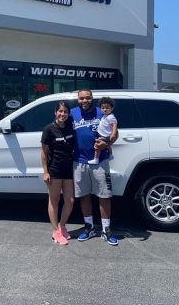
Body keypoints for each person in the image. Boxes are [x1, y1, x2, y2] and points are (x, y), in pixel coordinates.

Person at [71, 89, 118, 246]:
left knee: (104, 195)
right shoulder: (72, 113)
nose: (85, 101)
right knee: (84, 195)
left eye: (87, 98)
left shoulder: (103, 111)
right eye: (81, 98)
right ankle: (89, 227)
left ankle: (106, 230)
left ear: (92, 98)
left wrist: (108, 143)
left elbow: (115, 132)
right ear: (78, 99)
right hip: (79, 161)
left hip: (100, 161)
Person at [41, 101, 75, 245]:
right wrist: (45, 172)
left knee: (70, 201)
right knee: (54, 201)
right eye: (60, 111)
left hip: (68, 169)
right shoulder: (49, 129)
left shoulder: (70, 127)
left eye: (65, 112)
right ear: (55, 112)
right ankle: (55, 231)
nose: (62, 114)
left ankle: (62, 225)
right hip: (54, 169)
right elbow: (44, 152)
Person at [88, 97, 118, 165]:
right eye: (103, 108)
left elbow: (114, 125)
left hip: (105, 135)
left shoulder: (111, 117)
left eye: (107, 108)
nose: (105, 109)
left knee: (97, 146)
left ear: (112, 108)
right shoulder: (105, 116)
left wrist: (113, 134)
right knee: (107, 145)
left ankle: (96, 159)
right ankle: (110, 155)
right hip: (104, 134)